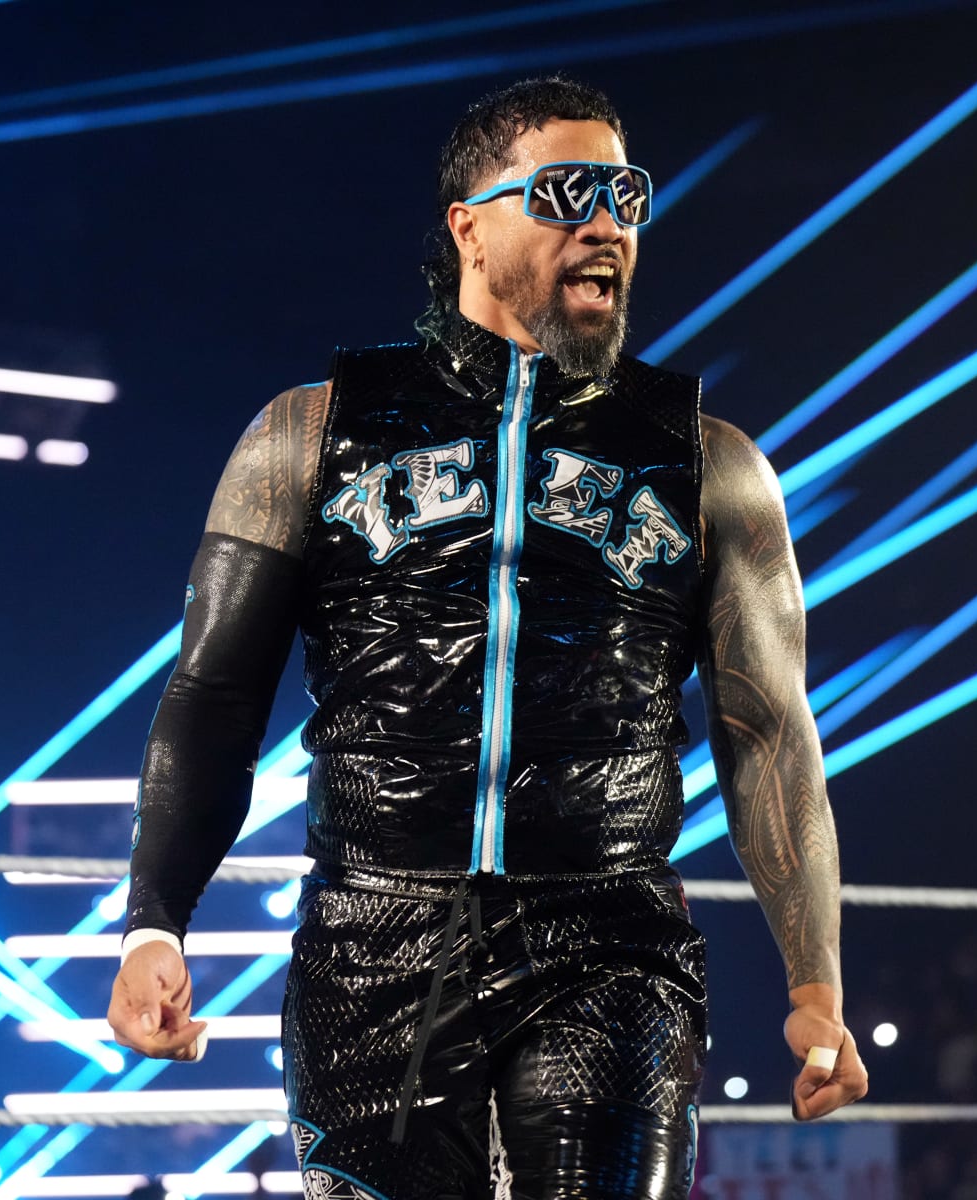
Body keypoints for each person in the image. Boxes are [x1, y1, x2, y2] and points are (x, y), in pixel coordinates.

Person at [107, 75, 868, 1199]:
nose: (607, 222)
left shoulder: (714, 465)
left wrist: (816, 980)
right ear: (470, 224)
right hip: (374, 940)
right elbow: (213, 697)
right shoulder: (307, 437)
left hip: (610, 943)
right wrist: (153, 923)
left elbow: (767, 729)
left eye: (627, 195)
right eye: (569, 191)